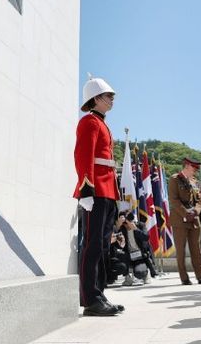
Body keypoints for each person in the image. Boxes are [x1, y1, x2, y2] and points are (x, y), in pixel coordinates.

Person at [73, 76, 123, 316]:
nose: (112, 99)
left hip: (107, 191)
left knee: (103, 246)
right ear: (96, 98)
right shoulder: (89, 122)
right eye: (108, 96)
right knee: (92, 245)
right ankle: (90, 299)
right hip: (95, 191)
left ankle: (99, 294)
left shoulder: (101, 123)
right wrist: (86, 190)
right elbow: (83, 156)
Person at [168, 157, 201, 285]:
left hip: (194, 220)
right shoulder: (174, 179)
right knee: (180, 250)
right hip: (180, 219)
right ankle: (184, 278)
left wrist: (196, 212)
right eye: (194, 168)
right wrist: (186, 213)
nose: (196, 170)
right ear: (187, 166)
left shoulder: (194, 181)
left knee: (197, 249)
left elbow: (198, 200)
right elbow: (174, 200)